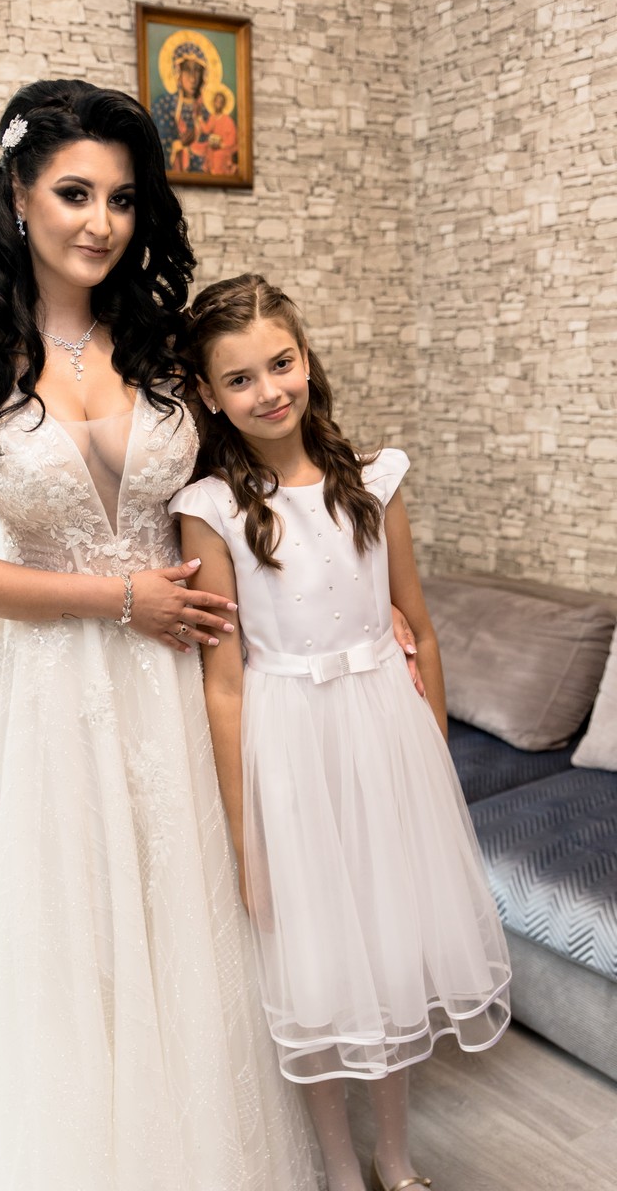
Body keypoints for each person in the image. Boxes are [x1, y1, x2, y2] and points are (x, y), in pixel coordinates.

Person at [0, 78, 322, 1190]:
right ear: (18, 194)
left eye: (123, 199)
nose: (101, 222)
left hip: (178, 687)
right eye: (75, 193)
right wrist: (122, 600)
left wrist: (361, 599)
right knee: (73, 949)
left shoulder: (166, 353)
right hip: (45, 698)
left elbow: (264, 480)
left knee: (189, 934)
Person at [169, 274, 512, 1191]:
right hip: (288, 746)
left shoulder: (374, 479)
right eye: (239, 379)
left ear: (307, 357)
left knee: (389, 951)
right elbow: (225, 683)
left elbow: (420, 629)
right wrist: (246, 833)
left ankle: (395, 1160)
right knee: (316, 962)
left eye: (281, 363)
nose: (269, 390)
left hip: (383, 734)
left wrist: (431, 762)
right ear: (208, 394)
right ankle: (336, 1167)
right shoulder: (210, 510)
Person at [151, 40, 211, 172]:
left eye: (197, 71)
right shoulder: (164, 105)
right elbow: (154, 146)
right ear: (178, 73)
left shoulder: (205, 111)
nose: (193, 78)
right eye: (187, 70)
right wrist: (178, 144)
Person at [205, 91, 238, 177]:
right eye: (217, 101)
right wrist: (200, 120)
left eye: (221, 102)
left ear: (223, 104)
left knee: (218, 155)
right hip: (213, 147)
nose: (218, 104)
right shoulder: (212, 117)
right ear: (214, 102)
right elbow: (207, 130)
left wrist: (221, 145)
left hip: (224, 149)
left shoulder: (228, 120)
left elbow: (232, 140)